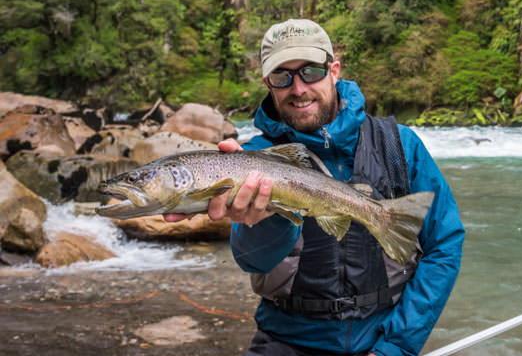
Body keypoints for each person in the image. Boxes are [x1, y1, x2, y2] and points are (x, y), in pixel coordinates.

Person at [166, 19, 465, 356]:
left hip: (384, 336)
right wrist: (268, 216)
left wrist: (397, 345)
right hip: (285, 341)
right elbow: (253, 261)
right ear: (268, 83)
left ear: (333, 70)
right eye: (283, 77)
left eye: (311, 71)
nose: (298, 88)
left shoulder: (400, 145)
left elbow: (444, 245)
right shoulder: (251, 159)